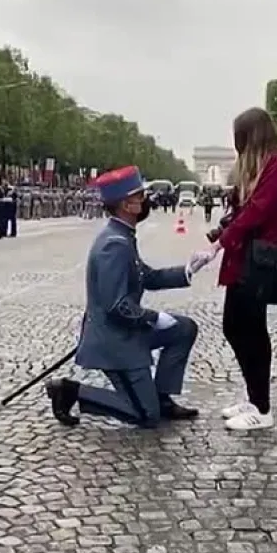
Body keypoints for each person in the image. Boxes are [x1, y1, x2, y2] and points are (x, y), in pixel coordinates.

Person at [46, 165, 209, 428]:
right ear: (126, 205)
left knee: (184, 329)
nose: (146, 201)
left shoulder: (122, 236)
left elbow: (147, 276)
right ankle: (71, 391)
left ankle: (162, 397)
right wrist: (156, 317)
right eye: (140, 197)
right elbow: (116, 306)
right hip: (114, 343)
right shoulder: (114, 244)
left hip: (126, 334)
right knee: (146, 415)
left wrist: (189, 269)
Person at [206, 107, 277, 432]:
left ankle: (262, 407)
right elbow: (247, 211)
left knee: (250, 329)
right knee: (235, 326)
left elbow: (258, 211)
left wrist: (221, 243)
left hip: (259, 261)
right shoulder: (265, 166)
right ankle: (254, 396)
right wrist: (223, 232)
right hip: (247, 258)